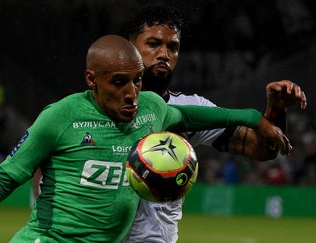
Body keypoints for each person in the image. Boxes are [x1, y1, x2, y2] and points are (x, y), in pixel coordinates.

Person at [0, 35, 291, 243]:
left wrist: (256, 118)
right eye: (119, 83)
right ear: (92, 80)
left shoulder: (151, 108)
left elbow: (190, 114)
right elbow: (2, 179)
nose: (131, 94)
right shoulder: (60, 117)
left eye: (136, 81)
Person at [123, 3, 307, 243]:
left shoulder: (195, 107)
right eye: (153, 44)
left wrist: (276, 108)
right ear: (130, 47)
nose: (164, 54)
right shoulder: (99, 110)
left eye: (173, 47)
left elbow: (262, 149)